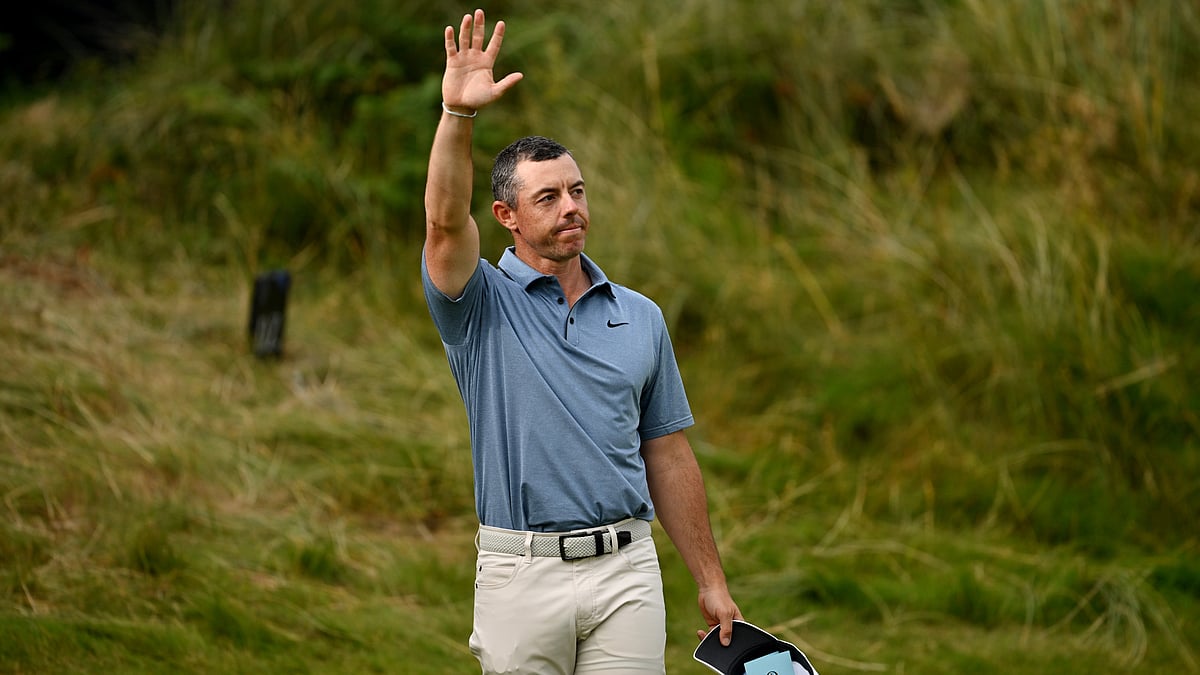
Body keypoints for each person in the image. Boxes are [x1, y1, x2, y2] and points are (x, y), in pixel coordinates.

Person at [421, 9, 742, 673]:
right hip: (521, 573)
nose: (571, 206)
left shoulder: (641, 316)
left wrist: (709, 578)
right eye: (548, 198)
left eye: (577, 190)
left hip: (627, 570)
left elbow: (669, 452)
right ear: (507, 217)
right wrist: (458, 116)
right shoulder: (478, 304)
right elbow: (445, 224)